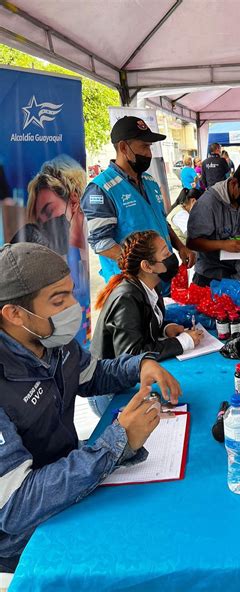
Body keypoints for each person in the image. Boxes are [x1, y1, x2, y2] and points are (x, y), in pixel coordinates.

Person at [0, 242, 181, 573]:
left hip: (75, 476)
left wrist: (139, 365)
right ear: (14, 314)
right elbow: (16, 505)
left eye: (71, 293)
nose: (75, 306)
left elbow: (93, 374)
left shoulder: (51, 339)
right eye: (59, 300)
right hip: (30, 535)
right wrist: (117, 440)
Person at [90, 231, 203, 415]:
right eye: (166, 254)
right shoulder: (126, 297)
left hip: (129, 383)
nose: (172, 258)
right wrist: (183, 342)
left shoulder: (149, 284)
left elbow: (144, 323)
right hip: (110, 391)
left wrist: (166, 328)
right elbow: (132, 357)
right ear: (147, 266)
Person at [81, 116, 194, 284]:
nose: (149, 154)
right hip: (130, 284)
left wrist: (180, 247)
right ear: (123, 147)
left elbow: (161, 222)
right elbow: (101, 243)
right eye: (144, 146)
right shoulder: (101, 189)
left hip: (161, 276)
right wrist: (142, 267)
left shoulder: (149, 181)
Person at [187, 160, 240, 286]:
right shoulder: (208, 203)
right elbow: (192, 242)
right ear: (234, 182)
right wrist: (222, 244)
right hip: (209, 280)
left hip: (239, 276)